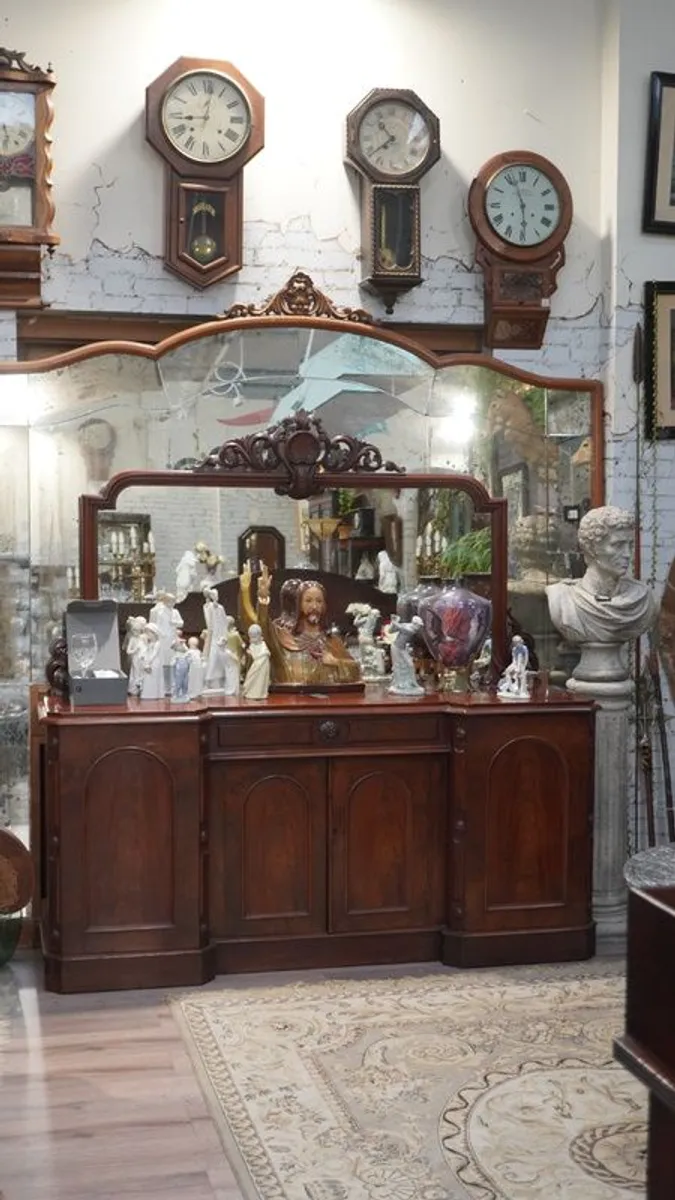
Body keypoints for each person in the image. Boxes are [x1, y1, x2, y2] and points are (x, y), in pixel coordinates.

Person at [239, 562, 362, 688]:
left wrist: (335, 662)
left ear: (324, 606)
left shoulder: (331, 641)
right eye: (308, 601)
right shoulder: (284, 638)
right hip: (289, 701)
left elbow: (356, 671)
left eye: (319, 601)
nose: (314, 607)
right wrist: (263, 599)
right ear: (299, 605)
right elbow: (262, 627)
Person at [546, 505, 657, 644]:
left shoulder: (641, 598)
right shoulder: (562, 597)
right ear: (591, 547)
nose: (628, 554)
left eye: (630, 545)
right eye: (618, 545)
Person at [149, 591, 184, 695]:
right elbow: (154, 625)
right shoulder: (158, 612)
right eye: (170, 601)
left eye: (173, 602)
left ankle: (172, 686)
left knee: (172, 662)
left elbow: (181, 623)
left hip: (172, 639)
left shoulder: (175, 612)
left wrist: (175, 623)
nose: (172, 604)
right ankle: (163, 686)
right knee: (163, 662)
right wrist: (160, 634)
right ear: (165, 602)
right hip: (162, 639)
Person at [388, 614, 425, 696]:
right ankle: (399, 684)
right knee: (398, 665)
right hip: (396, 648)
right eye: (419, 626)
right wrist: (393, 623)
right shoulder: (406, 625)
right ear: (414, 623)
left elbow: (402, 628)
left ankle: (411, 683)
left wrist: (395, 621)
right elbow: (390, 631)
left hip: (402, 649)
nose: (419, 628)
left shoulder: (411, 631)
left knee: (411, 665)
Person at [202, 583, 229, 690]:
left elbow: (224, 622)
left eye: (215, 596)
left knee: (218, 656)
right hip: (213, 635)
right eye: (212, 596)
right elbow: (209, 622)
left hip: (219, 634)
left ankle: (218, 678)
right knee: (211, 656)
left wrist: (224, 636)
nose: (215, 598)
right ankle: (209, 679)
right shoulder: (207, 607)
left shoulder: (220, 608)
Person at [242, 624, 271, 699]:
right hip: (255, 665)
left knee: (260, 680)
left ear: (259, 635)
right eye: (252, 637)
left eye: (255, 636)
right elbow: (252, 656)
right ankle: (251, 692)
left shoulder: (263, 644)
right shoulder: (252, 645)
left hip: (262, 665)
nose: (253, 639)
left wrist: (262, 655)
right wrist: (249, 653)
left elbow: (265, 653)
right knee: (250, 676)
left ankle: (259, 693)